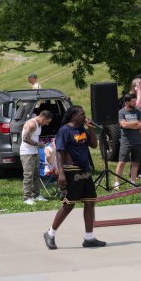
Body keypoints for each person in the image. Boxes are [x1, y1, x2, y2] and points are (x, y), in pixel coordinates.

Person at [43, 105, 106, 249]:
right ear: (73, 116)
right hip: (71, 170)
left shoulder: (81, 129)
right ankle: (50, 234)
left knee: (90, 202)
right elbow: (59, 152)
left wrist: (90, 129)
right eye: (82, 114)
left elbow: (94, 145)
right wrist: (61, 173)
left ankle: (89, 238)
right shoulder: (64, 131)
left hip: (84, 170)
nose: (85, 117)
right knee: (69, 204)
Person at [20, 110, 53, 205]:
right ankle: (26, 197)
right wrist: (38, 144)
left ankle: (36, 195)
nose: (47, 124)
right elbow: (25, 138)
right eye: (47, 121)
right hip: (27, 153)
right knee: (28, 175)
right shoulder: (32, 124)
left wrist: (37, 147)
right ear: (43, 118)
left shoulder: (39, 125)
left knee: (36, 175)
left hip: (34, 152)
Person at [114, 93, 141, 189]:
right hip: (125, 141)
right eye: (133, 101)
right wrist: (135, 123)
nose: (135, 103)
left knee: (135, 163)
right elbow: (123, 125)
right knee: (122, 162)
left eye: (135, 101)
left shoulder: (138, 112)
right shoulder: (121, 112)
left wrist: (129, 124)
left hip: (137, 141)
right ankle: (117, 182)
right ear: (127, 102)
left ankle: (133, 181)